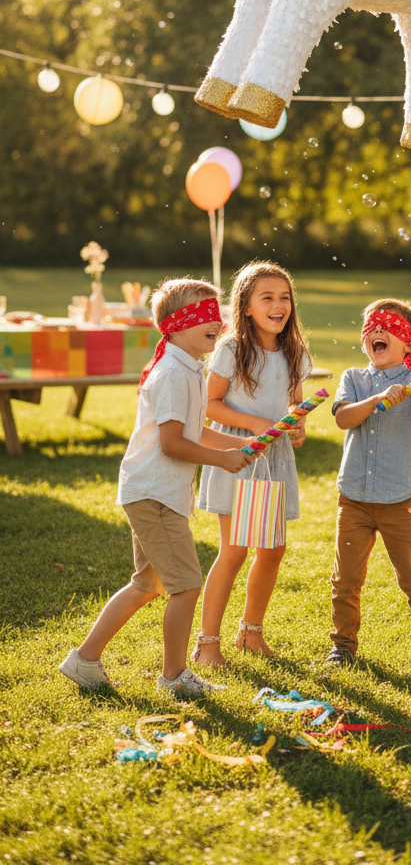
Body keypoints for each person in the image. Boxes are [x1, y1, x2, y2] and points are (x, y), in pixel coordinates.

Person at [58, 278, 253, 697]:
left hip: (154, 491)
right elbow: (172, 443)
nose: (215, 321)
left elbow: (194, 429)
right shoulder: (172, 373)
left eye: (216, 313)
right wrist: (222, 459)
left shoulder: (188, 367)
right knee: (186, 585)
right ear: (175, 323)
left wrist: (238, 443)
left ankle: (84, 660)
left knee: (147, 585)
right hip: (154, 493)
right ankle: (174, 677)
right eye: (203, 314)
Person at [327, 298, 411, 668]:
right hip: (353, 497)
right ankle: (342, 646)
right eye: (372, 326)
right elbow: (343, 419)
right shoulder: (353, 379)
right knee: (346, 580)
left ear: (407, 345)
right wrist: (376, 399)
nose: (378, 331)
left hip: (399, 499)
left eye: (389, 327)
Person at [193, 262, 312, 666]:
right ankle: (208, 643)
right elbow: (208, 405)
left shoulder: (295, 351)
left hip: (275, 456)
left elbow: (294, 406)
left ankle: (250, 632)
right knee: (234, 550)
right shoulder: (231, 349)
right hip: (238, 454)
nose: (278, 305)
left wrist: (297, 428)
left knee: (274, 549)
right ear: (245, 307)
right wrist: (256, 424)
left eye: (284, 297)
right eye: (267, 298)